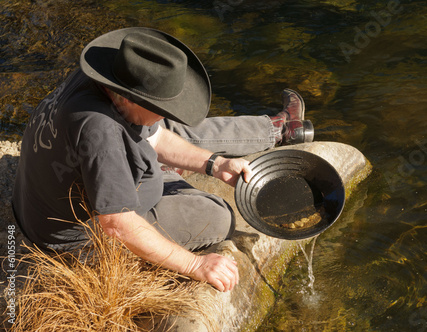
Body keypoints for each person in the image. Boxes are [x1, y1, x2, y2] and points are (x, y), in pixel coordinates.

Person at [12, 27, 314, 292]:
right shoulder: (101, 132)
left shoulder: (102, 76)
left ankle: (278, 128)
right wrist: (196, 266)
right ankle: (171, 171)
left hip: (43, 199)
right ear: (127, 97)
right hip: (77, 239)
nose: (167, 114)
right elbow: (117, 225)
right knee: (219, 216)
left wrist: (215, 164)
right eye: (161, 107)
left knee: (169, 128)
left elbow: (154, 134)